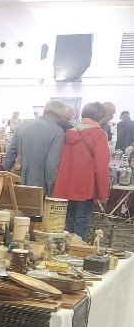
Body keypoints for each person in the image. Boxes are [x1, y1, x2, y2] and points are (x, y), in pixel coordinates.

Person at [53, 100, 111, 240]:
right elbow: (102, 167)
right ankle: (77, 257)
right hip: (85, 189)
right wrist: (103, 193)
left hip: (64, 187)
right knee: (81, 227)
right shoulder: (99, 135)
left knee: (66, 226)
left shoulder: (68, 133)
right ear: (101, 118)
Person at [2, 100, 65, 194]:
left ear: (45, 111)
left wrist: (13, 171)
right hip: (39, 185)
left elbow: (8, 158)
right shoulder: (58, 132)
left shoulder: (22, 126)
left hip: (16, 182)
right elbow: (51, 165)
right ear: (61, 117)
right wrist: (51, 188)